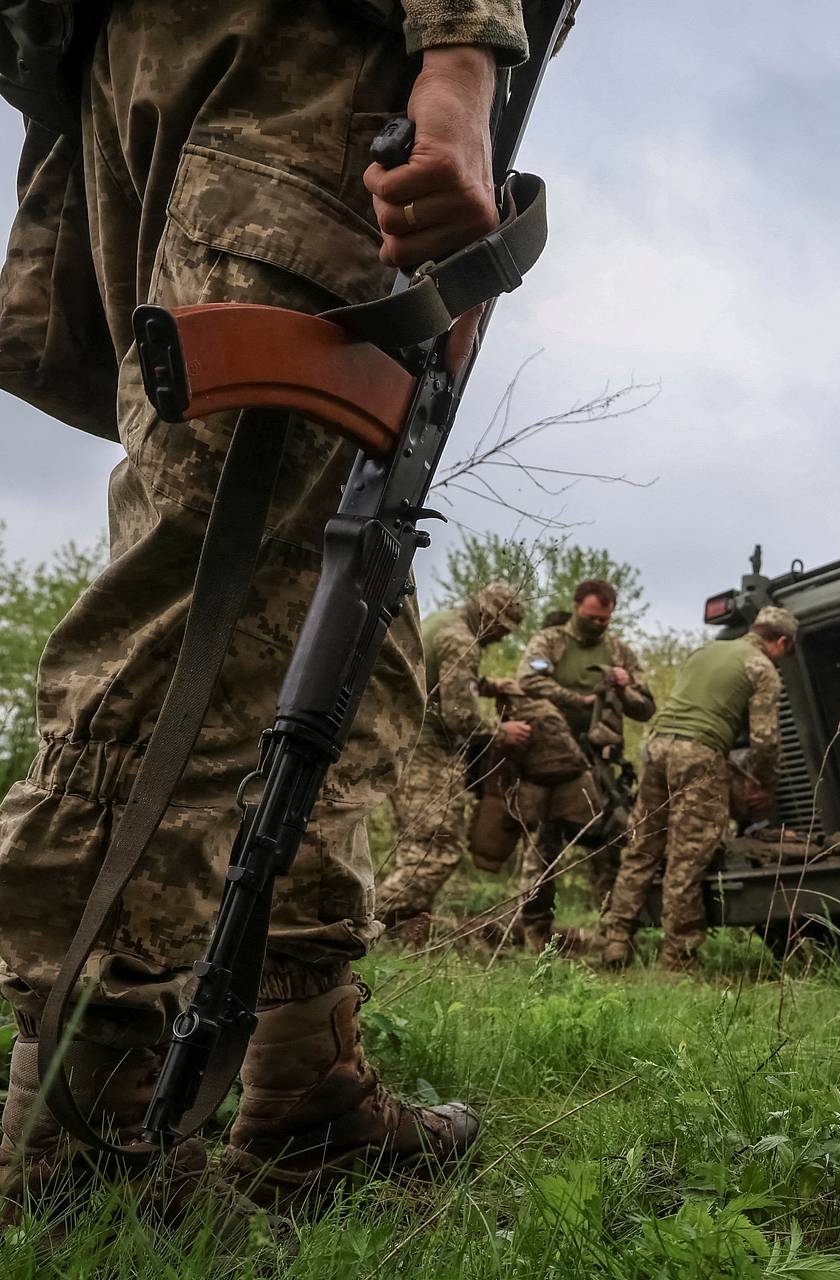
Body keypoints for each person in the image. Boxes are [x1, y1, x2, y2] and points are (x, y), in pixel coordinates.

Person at [0, 0, 561, 1233]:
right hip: (298, 67)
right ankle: (81, 1131)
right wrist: (463, 58)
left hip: (184, 66)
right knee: (216, 586)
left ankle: (299, 1083)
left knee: (330, 615)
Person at [600, 607, 800, 972]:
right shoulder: (761, 667)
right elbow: (765, 741)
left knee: (643, 845)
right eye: (786, 653)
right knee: (687, 857)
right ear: (781, 642)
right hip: (699, 752)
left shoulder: (705, 651)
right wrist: (765, 783)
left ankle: (616, 940)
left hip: (657, 746)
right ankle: (677, 960)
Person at [380, 582, 531, 927]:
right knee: (436, 852)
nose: (502, 639)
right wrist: (500, 730)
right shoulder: (462, 640)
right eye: (503, 631)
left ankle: (400, 932)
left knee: (414, 847)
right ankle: (367, 923)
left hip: (403, 739)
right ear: (490, 619)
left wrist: (489, 686)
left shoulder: (444, 622)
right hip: (426, 751)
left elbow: (435, 679)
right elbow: (459, 715)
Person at [513, 579, 654, 949]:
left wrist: (624, 687)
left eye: (605, 620)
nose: (598, 625)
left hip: (600, 765)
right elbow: (528, 680)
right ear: (577, 607)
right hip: (551, 762)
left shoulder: (618, 651)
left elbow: (646, 707)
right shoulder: (550, 642)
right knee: (543, 846)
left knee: (610, 842)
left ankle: (612, 933)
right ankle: (534, 933)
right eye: (592, 618)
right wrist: (580, 700)